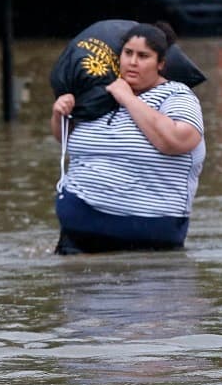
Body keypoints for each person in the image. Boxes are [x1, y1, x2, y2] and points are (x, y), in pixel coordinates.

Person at [50, 22, 206, 254]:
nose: (133, 62)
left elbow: (177, 141)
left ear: (161, 64)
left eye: (143, 56)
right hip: (77, 237)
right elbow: (67, 140)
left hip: (149, 238)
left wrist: (128, 99)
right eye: (128, 53)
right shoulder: (99, 95)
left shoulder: (177, 96)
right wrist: (59, 113)